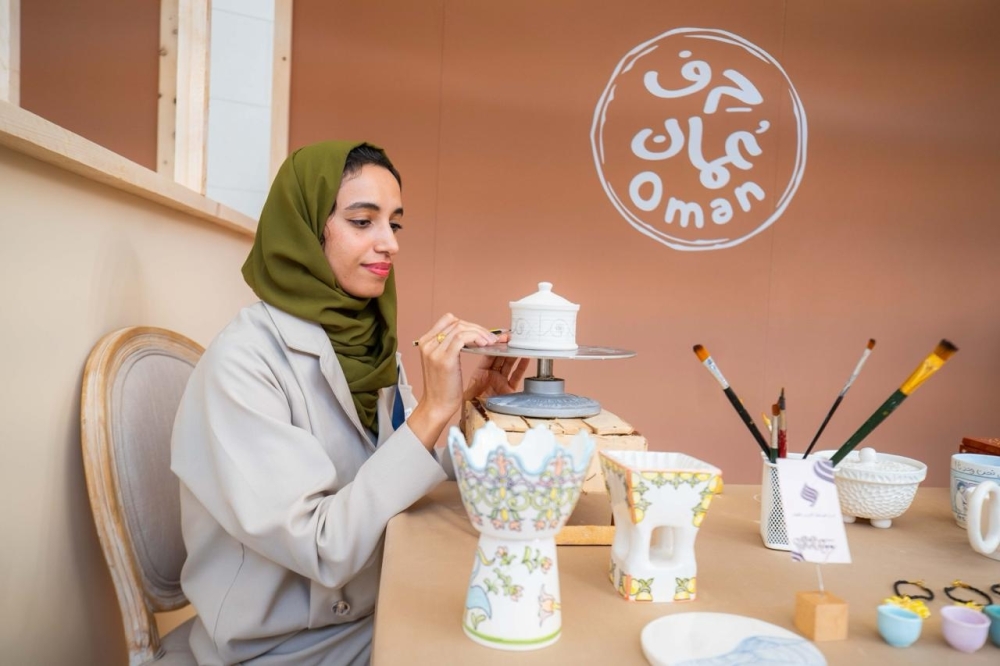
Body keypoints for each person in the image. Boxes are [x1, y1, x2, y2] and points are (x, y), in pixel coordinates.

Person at [171, 140, 528, 665]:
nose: (390, 243)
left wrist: (467, 407)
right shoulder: (244, 363)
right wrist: (431, 411)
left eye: (395, 224)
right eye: (363, 221)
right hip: (286, 645)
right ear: (306, 228)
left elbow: (394, 466)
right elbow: (323, 547)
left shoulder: (367, 340)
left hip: (368, 607)